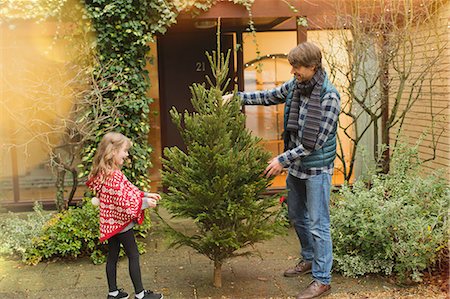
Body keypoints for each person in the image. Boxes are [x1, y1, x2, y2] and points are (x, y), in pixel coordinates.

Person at [224, 42, 340, 299]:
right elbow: (269, 96)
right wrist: (237, 98)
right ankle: (308, 259)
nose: (293, 72)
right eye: (292, 67)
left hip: (317, 169)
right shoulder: (297, 86)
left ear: (312, 67)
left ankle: (322, 280)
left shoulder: (329, 97)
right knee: (297, 216)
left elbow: (314, 143)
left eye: (297, 67)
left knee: (319, 224)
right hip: (297, 167)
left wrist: (282, 160)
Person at [86, 132, 163, 299]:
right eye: (124, 151)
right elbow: (123, 201)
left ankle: (113, 293)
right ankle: (141, 294)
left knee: (112, 256)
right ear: (113, 151)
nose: (126, 154)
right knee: (133, 255)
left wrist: (145, 195)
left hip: (110, 223)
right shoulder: (113, 176)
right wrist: (144, 203)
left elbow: (129, 190)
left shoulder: (106, 173)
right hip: (121, 224)